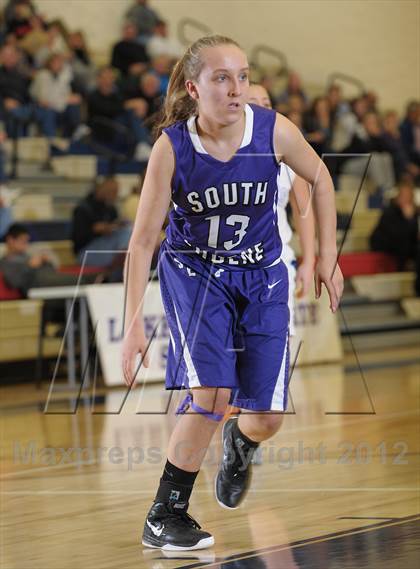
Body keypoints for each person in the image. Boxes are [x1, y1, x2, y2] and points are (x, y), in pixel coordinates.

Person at [122, 35, 343, 551]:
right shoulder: (172, 147)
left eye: (242, 76)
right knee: (213, 394)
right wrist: (134, 322)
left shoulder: (273, 130)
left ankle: (241, 441)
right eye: (222, 78)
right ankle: (165, 514)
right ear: (194, 87)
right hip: (197, 273)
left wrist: (327, 256)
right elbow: (141, 242)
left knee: (264, 416)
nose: (236, 88)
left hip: (261, 273)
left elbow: (322, 180)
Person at [0, 223, 99, 295]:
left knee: (71, 279)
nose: (26, 245)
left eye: (27, 241)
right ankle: (95, 280)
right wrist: (29, 266)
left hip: (48, 278)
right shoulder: (6, 262)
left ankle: (96, 280)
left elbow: (52, 269)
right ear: (10, 240)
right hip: (37, 283)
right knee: (79, 281)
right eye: (22, 241)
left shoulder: (28, 256)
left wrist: (46, 261)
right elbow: (14, 282)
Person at [71, 176, 132, 270]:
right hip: (86, 252)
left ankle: (125, 261)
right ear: (102, 188)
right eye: (113, 191)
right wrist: (96, 230)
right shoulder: (83, 209)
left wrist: (115, 226)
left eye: (116, 191)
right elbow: (78, 237)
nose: (115, 195)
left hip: (108, 247)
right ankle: (124, 261)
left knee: (128, 230)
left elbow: (114, 226)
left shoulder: (111, 209)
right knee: (126, 234)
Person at [370, 178, 419, 271]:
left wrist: (411, 220)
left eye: (408, 196)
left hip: (402, 246)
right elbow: (395, 234)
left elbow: (414, 235)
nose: (405, 198)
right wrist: (408, 220)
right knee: (402, 242)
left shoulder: (414, 212)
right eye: (403, 195)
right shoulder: (390, 211)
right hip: (386, 244)